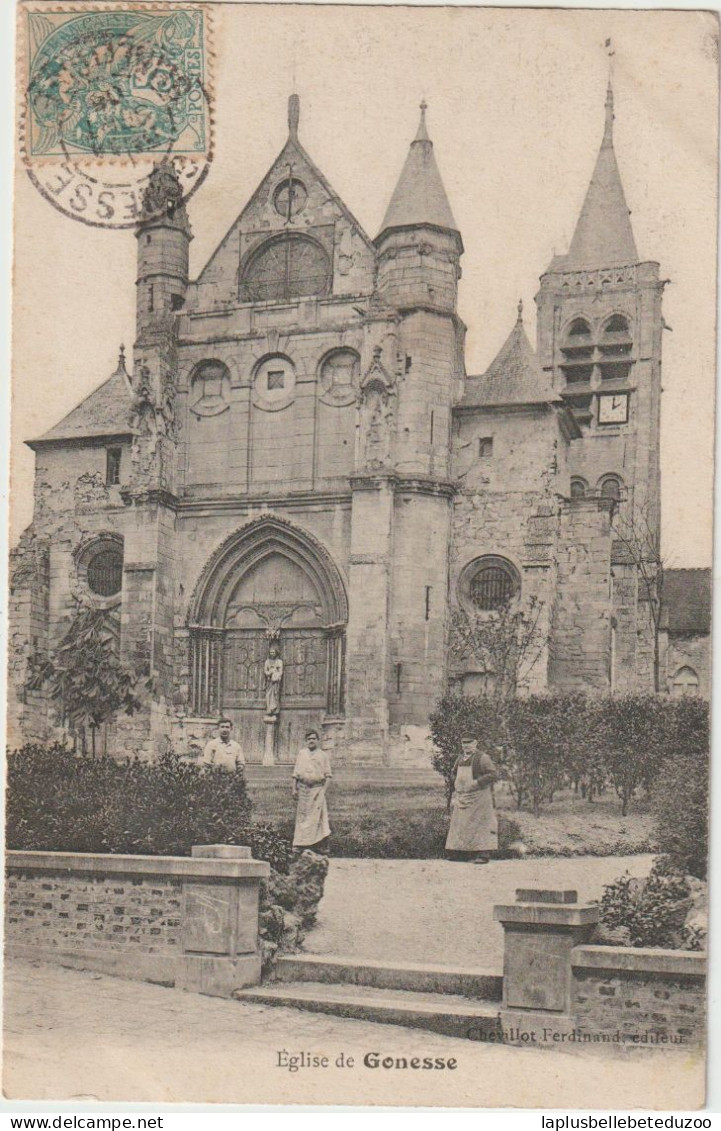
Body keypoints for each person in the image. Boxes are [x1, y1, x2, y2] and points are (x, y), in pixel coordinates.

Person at [445, 734, 499, 863]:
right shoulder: (459, 758)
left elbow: (492, 774)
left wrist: (477, 782)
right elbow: (453, 772)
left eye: (469, 743)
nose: (466, 746)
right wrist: (455, 782)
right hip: (463, 796)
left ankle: (483, 855)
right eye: (464, 743)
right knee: (461, 825)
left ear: (476, 743)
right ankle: (461, 853)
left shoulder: (483, 758)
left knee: (481, 825)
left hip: (479, 797)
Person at [292, 730, 332, 853]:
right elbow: (295, 774)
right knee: (303, 818)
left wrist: (323, 791)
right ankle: (300, 844)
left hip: (317, 790)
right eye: (309, 739)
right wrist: (294, 788)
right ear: (306, 741)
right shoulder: (302, 754)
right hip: (303, 789)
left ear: (318, 740)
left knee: (317, 818)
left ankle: (319, 844)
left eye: (314, 738)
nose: (311, 741)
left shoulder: (323, 755)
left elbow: (328, 775)